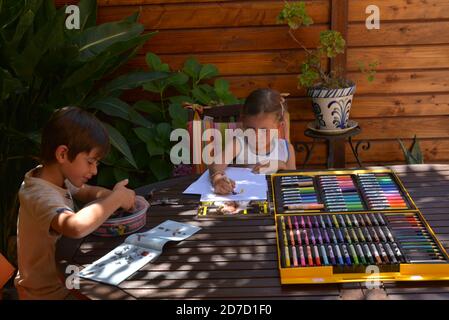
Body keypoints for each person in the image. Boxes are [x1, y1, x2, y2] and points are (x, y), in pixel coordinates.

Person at [15, 107, 140, 299]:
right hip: (48, 294)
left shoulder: (55, 177)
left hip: (67, 280)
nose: (95, 170)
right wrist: (115, 199)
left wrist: (116, 196)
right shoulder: (39, 195)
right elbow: (74, 226)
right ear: (63, 154)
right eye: (90, 161)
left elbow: (88, 192)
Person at [207, 88, 296, 213]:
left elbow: (294, 182)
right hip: (244, 209)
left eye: (264, 130)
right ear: (243, 122)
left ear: (279, 126)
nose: (256, 135)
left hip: (276, 210)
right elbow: (215, 164)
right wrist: (217, 178)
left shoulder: (286, 149)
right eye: (250, 128)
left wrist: (281, 165)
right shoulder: (239, 144)